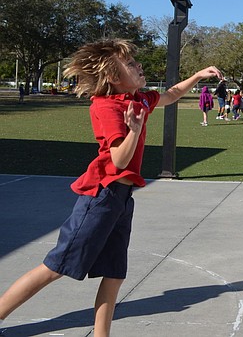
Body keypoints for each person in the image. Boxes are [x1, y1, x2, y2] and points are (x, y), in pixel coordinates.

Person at [0, 38, 221, 336]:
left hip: (122, 199)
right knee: (56, 267)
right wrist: (135, 130)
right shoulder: (106, 107)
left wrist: (196, 76)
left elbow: (169, 95)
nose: (138, 66)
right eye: (130, 64)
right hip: (101, 198)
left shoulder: (140, 99)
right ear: (114, 78)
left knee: (114, 273)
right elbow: (119, 159)